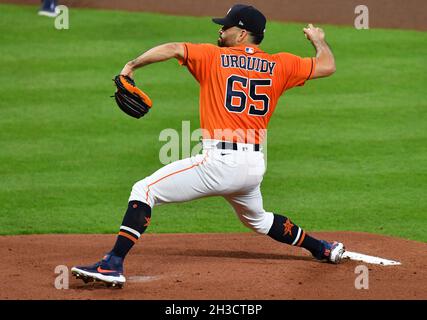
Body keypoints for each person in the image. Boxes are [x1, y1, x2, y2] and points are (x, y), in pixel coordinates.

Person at [72, 4, 345, 287]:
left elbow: (174, 48)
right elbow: (327, 65)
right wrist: (318, 41)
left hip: (221, 163)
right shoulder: (281, 64)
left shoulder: (213, 57)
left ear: (241, 34)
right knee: (260, 221)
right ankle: (323, 248)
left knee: (145, 189)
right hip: (253, 166)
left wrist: (131, 66)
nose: (220, 29)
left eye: (226, 27)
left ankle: (112, 264)